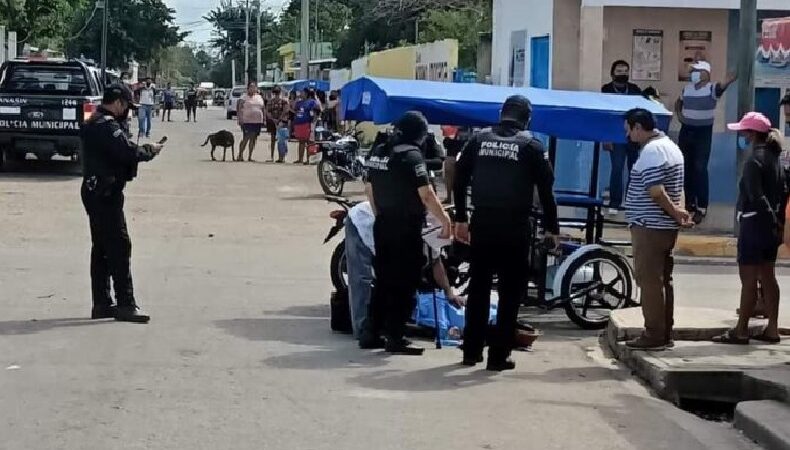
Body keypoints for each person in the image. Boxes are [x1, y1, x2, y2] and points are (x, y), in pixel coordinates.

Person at [454, 95, 559, 371]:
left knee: (478, 287)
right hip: (515, 226)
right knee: (511, 292)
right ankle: (498, 356)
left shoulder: (478, 140)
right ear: (527, 118)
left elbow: (459, 177)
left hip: (483, 222)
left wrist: (461, 218)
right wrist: (552, 228)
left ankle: (471, 351)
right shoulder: (532, 146)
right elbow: (547, 191)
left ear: (502, 114)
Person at [363, 111, 452, 355]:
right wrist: (445, 220)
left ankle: (371, 331)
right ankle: (396, 335)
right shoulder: (412, 156)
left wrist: (380, 214)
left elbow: (369, 189)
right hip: (405, 227)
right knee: (404, 282)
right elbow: (426, 194)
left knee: (382, 279)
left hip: (382, 224)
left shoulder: (379, 151)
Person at [80, 84, 164, 323]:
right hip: (105, 193)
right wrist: (149, 150)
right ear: (118, 102)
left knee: (102, 247)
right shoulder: (106, 125)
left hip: (96, 189)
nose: (128, 111)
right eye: (127, 106)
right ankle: (125, 304)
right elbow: (126, 152)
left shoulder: (95, 119)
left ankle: (102, 303)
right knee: (118, 245)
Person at [713, 113, 785, 345]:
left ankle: (741, 330)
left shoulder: (754, 160)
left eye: (744, 132)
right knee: (768, 276)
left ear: (753, 135)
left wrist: (765, 217)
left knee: (749, 280)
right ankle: (772, 329)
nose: (742, 137)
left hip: (754, 223)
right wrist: (776, 222)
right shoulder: (776, 158)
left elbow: (755, 195)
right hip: (771, 228)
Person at [346, 201, 463, 341]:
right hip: (363, 220)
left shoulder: (432, 228)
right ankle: (362, 329)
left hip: (388, 227)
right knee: (362, 279)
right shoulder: (434, 224)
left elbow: (436, 262)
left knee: (391, 280)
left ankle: (379, 329)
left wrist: (449, 293)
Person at [623, 108, 691, 350]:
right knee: (663, 280)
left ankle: (653, 334)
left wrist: (675, 212)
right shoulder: (671, 147)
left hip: (649, 226)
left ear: (638, 127)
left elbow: (656, 191)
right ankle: (665, 332)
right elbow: (677, 188)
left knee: (649, 281)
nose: (628, 136)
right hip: (664, 227)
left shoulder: (652, 151)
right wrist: (679, 213)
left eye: (628, 130)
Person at [675, 61, 737, 224]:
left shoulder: (710, 88)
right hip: (686, 131)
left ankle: (702, 205)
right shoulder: (687, 89)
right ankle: (688, 202)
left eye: (696, 71)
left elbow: (720, 88)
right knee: (685, 166)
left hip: (702, 133)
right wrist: (680, 116)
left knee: (700, 167)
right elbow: (678, 102)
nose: (692, 74)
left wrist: (727, 82)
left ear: (705, 73)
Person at [602, 60, 643, 215]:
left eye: (625, 71)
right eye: (619, 71)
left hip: (632, 136)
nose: (622, 74)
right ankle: (614, 202)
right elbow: (604, 116)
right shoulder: (606, 90)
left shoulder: (634, 90)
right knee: (617, 168)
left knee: (634, 169)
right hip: (615, 135)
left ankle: (631, 203)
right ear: (612, 73)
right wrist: (606, 137)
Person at [441, 125, 472, 205]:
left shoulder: (468, 126)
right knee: (449, 175)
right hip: (453, 153)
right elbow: (446, 143)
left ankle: (454, 199)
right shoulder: (451, 127)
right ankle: (449, 197)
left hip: (462, 153)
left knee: (460, 178)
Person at [237, 81, 266, 162]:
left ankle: (250, 156)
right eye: (251, 87)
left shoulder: (259, 97)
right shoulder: (243, 97)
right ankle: (240, 155)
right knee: (246, 138)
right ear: (248, 88)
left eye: (254, 87)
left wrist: (264, 119)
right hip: (247, 121)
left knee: (253, 139)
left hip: (257, 121)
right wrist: (240, 119)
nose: (253, 89)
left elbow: (263, 108)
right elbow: (239, 108)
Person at [293, 88, 320, 164]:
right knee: (301, 142)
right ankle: (300, 159)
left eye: (302, 92)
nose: (301, 93)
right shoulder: (299, 102)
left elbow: (316, 112)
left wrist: (313, 122)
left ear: (306, 93)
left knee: (309, 142)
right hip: (299, 123)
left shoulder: (311, 102)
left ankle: (310, 159)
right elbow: (294, 108)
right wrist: (296, 98)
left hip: (307, 123)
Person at [266, 86, 290, 162]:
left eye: (277, 93)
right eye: (275, 93)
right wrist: (274, 120)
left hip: (282, 122)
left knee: (282, 140)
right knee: (272, 140)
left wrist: (279, 120)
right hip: (273, 122)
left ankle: (281, 157)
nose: (276, 95)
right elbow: (267, 112)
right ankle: (272, 156)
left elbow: (285, 111)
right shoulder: (270, 101)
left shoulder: (284, 101)